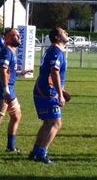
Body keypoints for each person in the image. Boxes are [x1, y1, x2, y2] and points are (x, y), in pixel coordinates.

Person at [30, 27, 70, 164]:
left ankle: (35, 151)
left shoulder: (52, 50)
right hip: (47, 92)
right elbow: (54, 72)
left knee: (48, 123)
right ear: (58, 37)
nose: (67, 33)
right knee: (56, 123)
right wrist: (60, 94)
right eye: (64, 32)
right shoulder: (56, 51)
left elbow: (51, 74)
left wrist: (62, 91)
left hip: (43, 90)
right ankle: (42, 153)